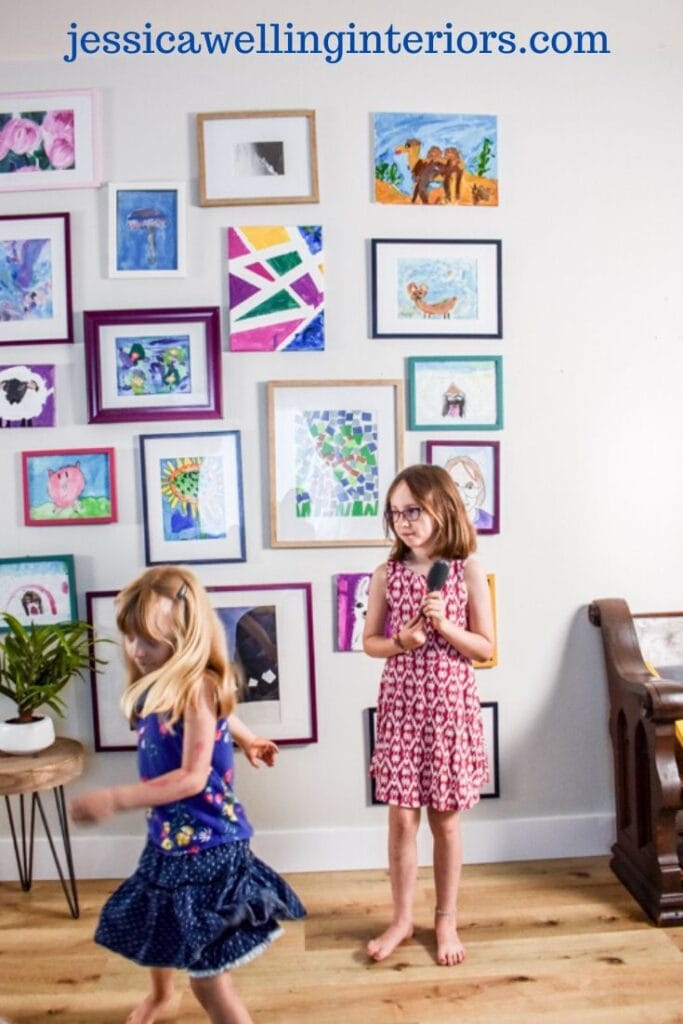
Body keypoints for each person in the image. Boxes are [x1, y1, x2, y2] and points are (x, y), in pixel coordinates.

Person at [70, 565, 305, 1024]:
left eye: (150, 641)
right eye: (130, 637)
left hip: (210, 846)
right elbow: (223, 720)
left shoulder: (198, 688)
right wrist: (248, 738)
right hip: (171, 838)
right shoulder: (157, 684)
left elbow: (193, 778)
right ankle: (160, 996)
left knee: (208, 979)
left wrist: (116, 798)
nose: (137, 651)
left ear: (186, 640)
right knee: (159, 916)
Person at [363, 464, 494, 967]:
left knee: (445, 821)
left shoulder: (467, 570)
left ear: (441, 506)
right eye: (396, 513)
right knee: (400, 820)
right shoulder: (385, 575)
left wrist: (445, 627)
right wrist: (404, 640)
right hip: (400, 709)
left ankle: (445, 918)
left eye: (413, 510)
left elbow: (484, 647)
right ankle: (401, 918)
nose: (404, 522)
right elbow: (371, 643)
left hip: (449, 711)